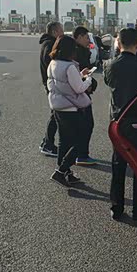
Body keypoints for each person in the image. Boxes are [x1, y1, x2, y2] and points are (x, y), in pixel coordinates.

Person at [104, 28, 137, 222]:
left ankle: (116, 208)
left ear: (118, 43)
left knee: (118, 164)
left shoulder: (110, 65)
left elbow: (109, 84)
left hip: (118, 122)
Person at [47, 35, 93, 188]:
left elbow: (64, 83)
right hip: (71, 108)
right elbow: (79, 88)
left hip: (58, 106)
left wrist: (80, 75)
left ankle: (65, 172)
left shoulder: (53, 63)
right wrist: (88, 79)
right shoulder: (70, 66)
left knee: (64, 141)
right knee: (80, 141)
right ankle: (61, 171)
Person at [72, 26, 98, 166]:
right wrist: (88, 82)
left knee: (81, 125)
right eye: (87, 37)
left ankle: (78, 154)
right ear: (80, 37)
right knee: (86, 124)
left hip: (79, 93)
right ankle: (81, 155)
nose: (89, 40)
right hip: (80, 94)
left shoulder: (80, 51)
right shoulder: (77, 53)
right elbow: (77, 75)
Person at [39, 21, 64, 157]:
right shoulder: (50, 45)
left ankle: (46, 142)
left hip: (51, 84)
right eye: (61, 30)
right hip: (52, 85)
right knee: (55, 115)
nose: (63, 33)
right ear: (54, 32)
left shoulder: (48, 43)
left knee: (55, 114)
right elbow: (53, 65)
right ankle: (48, 144)